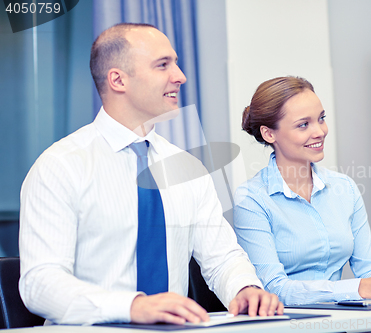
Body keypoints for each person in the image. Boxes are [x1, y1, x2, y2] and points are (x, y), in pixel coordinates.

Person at [19, 23, 283, 325]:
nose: (180, 76)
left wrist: (245, 287)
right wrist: (132, 307)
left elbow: (221, 257)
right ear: (118, 79)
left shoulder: (188, 168)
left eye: (176, 63)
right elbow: (39, 283)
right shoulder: (60, 166)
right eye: (163, 65)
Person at [233, 76, 371, 306]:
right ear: (269, 134)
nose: (320, 132)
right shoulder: (252, 199)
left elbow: (369, 270)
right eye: (304, 124)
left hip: (343, 320)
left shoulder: (345, 188)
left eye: (321, 119)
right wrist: (360, 288)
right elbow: (274, 289)